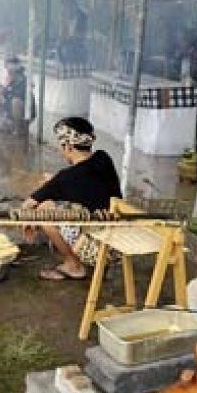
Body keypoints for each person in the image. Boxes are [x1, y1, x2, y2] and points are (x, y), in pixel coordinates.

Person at [22, 117, 122, 281]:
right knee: (68, 207)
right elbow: (86, 180)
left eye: (61, 146)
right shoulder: (104, 159)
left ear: (68, 146)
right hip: (119, 243)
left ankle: (73, 266)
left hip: (98, 250)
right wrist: (54, 183)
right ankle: (86, 262)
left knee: (43, 210)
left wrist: (28, 220)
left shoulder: (65, 179)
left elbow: (28, 204)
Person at [0, 55, 32, 135]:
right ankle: (3, 123)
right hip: (12, 109)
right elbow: (3, 93)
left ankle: (17, 128)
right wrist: (1, 92)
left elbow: (17, 97)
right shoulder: (9, 79)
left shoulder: (23, 80)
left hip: (24, 111)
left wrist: (7, 90)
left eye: (9, 69)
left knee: (16, 102)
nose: (8, 71)